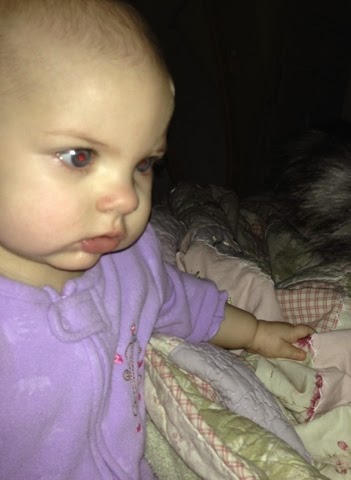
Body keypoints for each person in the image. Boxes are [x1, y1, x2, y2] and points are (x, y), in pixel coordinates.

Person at [0, 1, 315, 478]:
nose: (127, 197)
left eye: (143, 164)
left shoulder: (130, 262)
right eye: (80, 157)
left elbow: (182, 301)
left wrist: (255, 333)